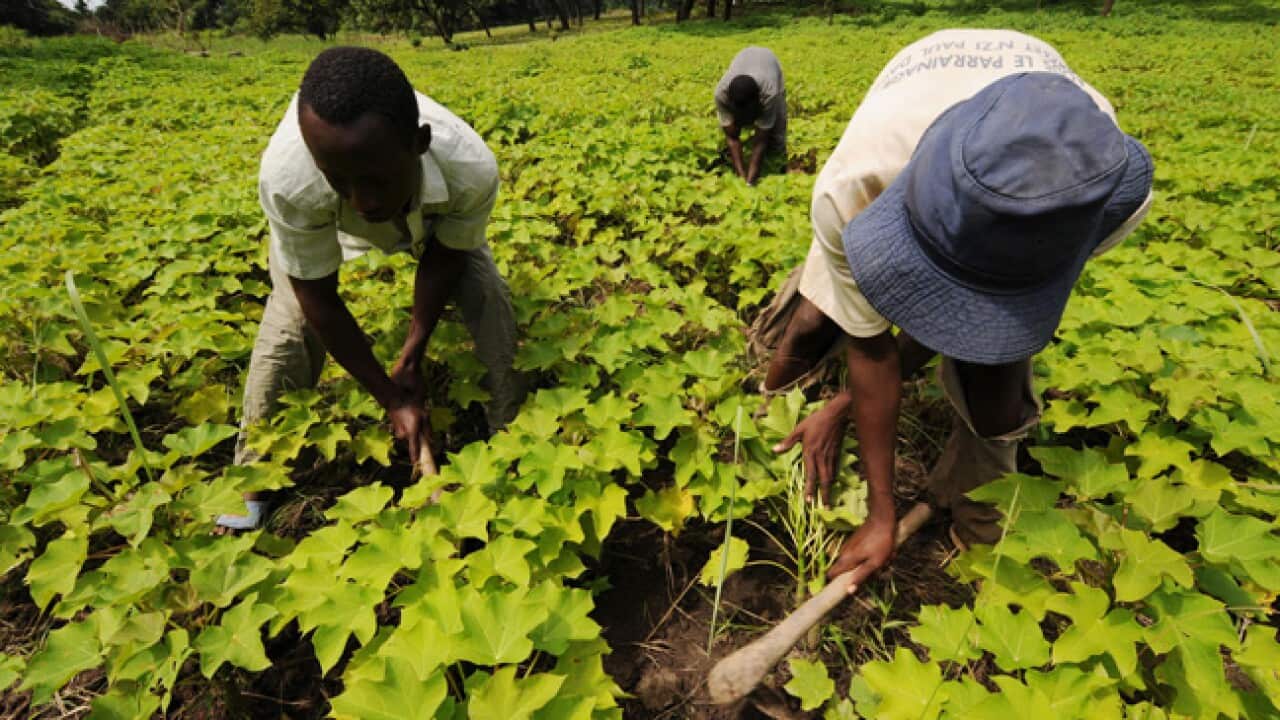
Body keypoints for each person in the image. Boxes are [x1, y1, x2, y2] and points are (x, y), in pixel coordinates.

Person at [757, 29, 1153, 592]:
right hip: (906, 140)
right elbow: (871, 346)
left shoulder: (1095, 186)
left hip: (1032, 212)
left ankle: (979, 517)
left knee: (996, 391)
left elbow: (967, 321)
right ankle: (762, 417)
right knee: (814, 320)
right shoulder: (855, 183)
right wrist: (880, 513)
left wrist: (846, 405)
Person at [216, 46, 524, 531]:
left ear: (418, 143)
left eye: (376, 181)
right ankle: (252, 477)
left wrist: (413, 351)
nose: (362, 202)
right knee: (290, 324)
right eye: (340, 181)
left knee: (488, 293)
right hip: (318, 214)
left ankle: (510, 429)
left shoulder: (469, 168)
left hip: (430, 211)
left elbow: (446, 255)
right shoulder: (290, 179)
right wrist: (390, 396)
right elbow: (318, 296)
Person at [714, 46, 786, 186]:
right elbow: (732, 138)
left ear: (759, 100)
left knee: (776, 136)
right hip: (744, 56)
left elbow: (760, 142)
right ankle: (737, 170)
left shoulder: (769, 93)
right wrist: (742, 181)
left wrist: (750, 182)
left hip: (769, 62)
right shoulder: (720, 94)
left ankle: (778, 173)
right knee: (731, 131)